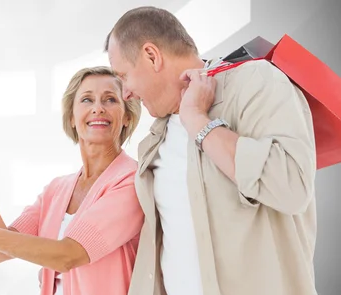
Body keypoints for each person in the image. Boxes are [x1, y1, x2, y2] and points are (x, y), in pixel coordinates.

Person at [104, 6, 318, 295]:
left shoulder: (256, 82)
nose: (125, 93)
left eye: (124, 76)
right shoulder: (154, 140)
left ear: (152, 56)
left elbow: (293, 187)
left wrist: (199, 123)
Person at [0, 66, 145, 295]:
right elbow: (0, 251)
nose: (98, 108)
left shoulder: (131, 182)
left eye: (110, 99)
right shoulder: (57, 190)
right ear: (72, 118)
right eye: (87, 99)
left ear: (127, 116)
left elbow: (68, 256)